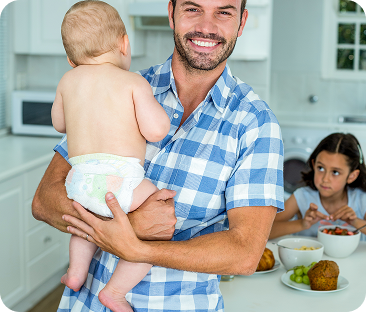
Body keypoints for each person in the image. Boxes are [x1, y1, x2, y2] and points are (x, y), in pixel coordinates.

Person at [32, 0, 284, 311]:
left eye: (224, 11)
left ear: (241, 22)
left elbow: (244, 254)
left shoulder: (255, 123)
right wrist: (130, 227)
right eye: (193, 8)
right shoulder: (117, 85)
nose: (207, 26)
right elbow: (45, 200)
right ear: (171, 13)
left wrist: (136, 248)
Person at [51, 1, 171, 311]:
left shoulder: (68, 81)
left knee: (87, 225)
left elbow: (59, 123)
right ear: (124, 44)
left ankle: (76, 273)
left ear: (70, 58)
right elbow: (157, 130)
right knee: (157, 223)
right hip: (120, 180)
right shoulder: (132, 83)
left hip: (78, 181)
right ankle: (115, 291)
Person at [270, 133, 366, 241]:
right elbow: (263, 231)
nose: (325, 179)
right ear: (313, 164)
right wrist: (302, 224)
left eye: (335, 172)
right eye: (320, 168)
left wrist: (356, 222)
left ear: (352, 176)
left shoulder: (361, 200)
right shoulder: (301, 197)